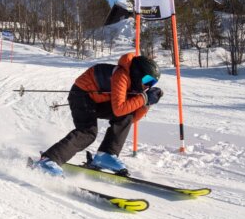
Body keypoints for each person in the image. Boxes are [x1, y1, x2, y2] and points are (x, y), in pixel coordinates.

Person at [33, 53, 163, 176]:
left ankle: (106, 155)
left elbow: (130, 118)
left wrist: (146, 104)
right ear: (137, 72)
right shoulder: (121, 75)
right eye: (147, 79)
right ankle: (49, 160)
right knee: (87, 132)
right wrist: (144, 98)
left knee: (127, 114)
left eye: (152, 83)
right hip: (81, 95)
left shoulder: (134, 85)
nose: (147, 85)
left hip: (97, 100)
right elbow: (119, 109)